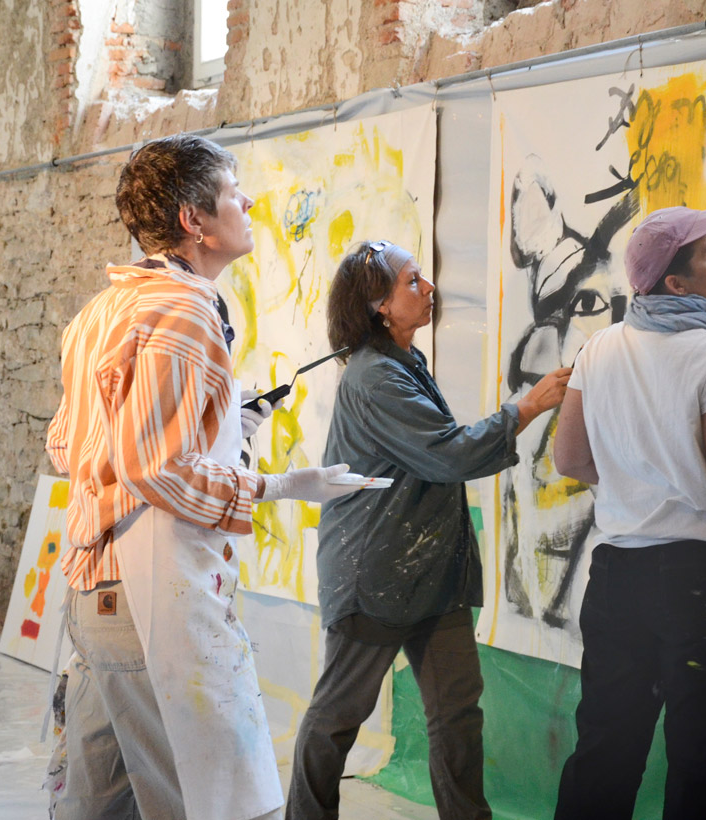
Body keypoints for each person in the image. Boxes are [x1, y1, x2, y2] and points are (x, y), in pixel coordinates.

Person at [45, 134, 362, 820]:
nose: (248, 204)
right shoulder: (186, 309)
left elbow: (69, 445)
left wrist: (225, 427)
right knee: (203, 801)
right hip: (148, 601)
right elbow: (152, 467)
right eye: (233, 194)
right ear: (194, 220)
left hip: (96, 591)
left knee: (98, 805)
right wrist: (283, 485)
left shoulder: (103, 310)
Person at [284, 240, 572, 820]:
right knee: (339, 716)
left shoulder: (402, 362)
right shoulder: (375, 378)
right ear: (379, 305)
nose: (429, 288)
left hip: (432, 575)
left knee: (457, 713)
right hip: (376, 574)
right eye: (413, 280)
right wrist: (527, 407)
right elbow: (447, 455)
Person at [552, 205, 706, 820]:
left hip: (617, 576)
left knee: (605, 752)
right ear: (676, 282)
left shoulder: (600, 348)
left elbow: (570, 459)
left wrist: (634, 479)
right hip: (705, 580)